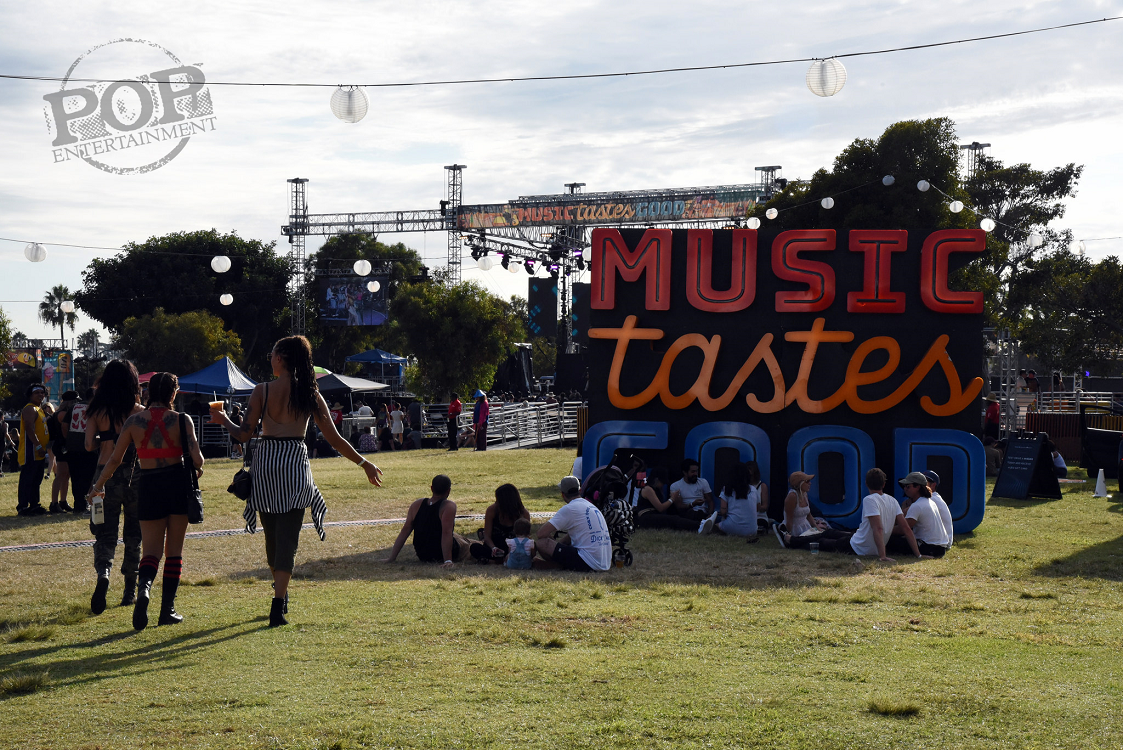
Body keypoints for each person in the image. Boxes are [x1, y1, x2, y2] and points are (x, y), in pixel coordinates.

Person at [212, 336, 383, 627]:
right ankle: (278, 603)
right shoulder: (310, 393)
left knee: (272, 537)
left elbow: (243, 434)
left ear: (281, 358)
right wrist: (364, 463)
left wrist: (223, 419)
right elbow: (335, 439)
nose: (270, 358)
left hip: (266, 465)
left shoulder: (262, 390)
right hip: (294, 464)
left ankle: (280, 593)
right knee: (288, 538)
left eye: (272, 354)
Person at [89, 373, 204, 630]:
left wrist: (98, 486)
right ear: (173, 394)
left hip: (149, 486)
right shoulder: (182, 420)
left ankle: (144, 591)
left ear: (148, 392)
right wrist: (195, 465)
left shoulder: (134, 421)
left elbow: (115, 459)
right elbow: (198, 460)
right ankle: (167, 610)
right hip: (177, 485)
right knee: (174, 552)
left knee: (151, 552)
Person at [84, 361, 145, 613]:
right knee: (134, 532)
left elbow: (89, 445)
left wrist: (106, 438)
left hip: (104, 475)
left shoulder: (97, 411)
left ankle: (104, 574)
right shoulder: (139, 411)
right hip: (135, 474)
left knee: (105, 532)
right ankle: (130, 589)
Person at [780, 468, 928, 561]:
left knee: (823, 541)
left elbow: (878, 528)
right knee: (830, 532)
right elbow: (906, 529)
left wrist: (882, 556)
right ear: (884, 484)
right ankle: (792, 539)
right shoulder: (892, 500)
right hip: (861, 540)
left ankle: (792, 541)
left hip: (859, 547)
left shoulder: (870, 499)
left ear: (866, 484)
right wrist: (918, 554)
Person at [385, 474, 471, 566]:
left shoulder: (417, 504)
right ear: (448, 491)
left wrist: (392, 557)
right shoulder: (448, 506)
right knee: (470, 545)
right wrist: (447, 561)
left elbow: (405, 531)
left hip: (423, 554)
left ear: (432, 488)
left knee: (458, 537)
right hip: (440, 554)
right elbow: (446, 533)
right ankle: (480, 542)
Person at [535, 476, 612, 571]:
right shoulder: (590, 506)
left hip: (588, 562)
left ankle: (554, 565)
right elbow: (575, 534)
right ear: (580, 490)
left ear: (562, 494)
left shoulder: (570, 508)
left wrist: (554, 546)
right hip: (604, 562)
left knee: (542, 543)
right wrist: (559, 545)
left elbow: (541, 534)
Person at [887, 471, 950, 557]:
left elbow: (903, 529)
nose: (905, 489)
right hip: (940, 549)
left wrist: (885, 530)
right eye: (904, 486)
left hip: (929, 548)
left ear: (918, 487)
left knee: (889, 539)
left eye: (908, 486)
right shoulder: (929, 501)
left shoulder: (917, 505)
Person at [470, 483, 532, 563]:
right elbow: (487, 537)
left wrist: (511, 552)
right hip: (495, 547)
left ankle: (495, 561)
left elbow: (526, 539)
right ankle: (500, 560)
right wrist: (493, 548)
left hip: (514, 549)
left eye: (498, 500)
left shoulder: (523, 514)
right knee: (474, 547)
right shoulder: (492, 510)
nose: (496, 502)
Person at [632, 467, 706, 531]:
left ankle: (699, 525)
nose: (663, 485)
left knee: (673, 519)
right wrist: (672, 499)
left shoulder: (657, 490)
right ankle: (699, 526)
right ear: (656, 480)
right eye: (662, 482)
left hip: (654, 515)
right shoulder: (647, 489)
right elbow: (660, 508)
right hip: (647, 517)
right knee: (673, 519)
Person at [17, 383, 52, 516]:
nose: (40, 395)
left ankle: (34, 504)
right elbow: (29, 428)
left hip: (39, 451)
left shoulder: (39, 409)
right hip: (30, 450)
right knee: (28, 479)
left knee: (36, 479)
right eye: (37, 392)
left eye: (42, 392)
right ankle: (23, 506)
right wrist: (38, 445)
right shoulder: (30, 409)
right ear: (30, 395)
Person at [47, 390, 79, 513]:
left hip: (64, 446)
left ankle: (63, 501)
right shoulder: (63, 414)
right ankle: (54, 503)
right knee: (60, 475)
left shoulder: (61, 413)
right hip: (62, 447)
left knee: (66, 475)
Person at [716, 462, 759, 540]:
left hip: (732, 526)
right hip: (752, 530)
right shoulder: (753, 490)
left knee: (715, 527)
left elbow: (723, 511)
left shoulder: (727, 489)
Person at [782, 471, 829, 537]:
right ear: (799, 483)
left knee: (830, 534)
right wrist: (789, 536)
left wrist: (818, 528)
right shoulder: (792, 496)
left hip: (806, 528)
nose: (810, 483)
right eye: (807, 481)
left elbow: (808, 515)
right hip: (796, 531)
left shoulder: (804, 494)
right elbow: (789, 520)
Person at [667, 459, 714, 525]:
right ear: (685, 472)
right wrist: (692, 504)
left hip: (701, 512)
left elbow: (710, 501)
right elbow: (679, 506)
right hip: (686, 512)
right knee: (690, 513)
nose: (695, 474)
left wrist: (710, 514)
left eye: (696, 471)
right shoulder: (676, 486)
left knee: (700, 514)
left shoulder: (703, 482)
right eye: (693, 472)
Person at [920, 470, 954, 550]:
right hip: (942, 541)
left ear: (933, 485)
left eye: (925, 481)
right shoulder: (933, 497)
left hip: (940, 543)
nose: (921, 484)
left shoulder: (931, 499)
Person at [745, 460, 771, 533]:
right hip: (745, 516)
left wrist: (757, 507)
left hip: (759, 517)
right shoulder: (743, 486)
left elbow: (765, 507)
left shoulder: (762, 486)